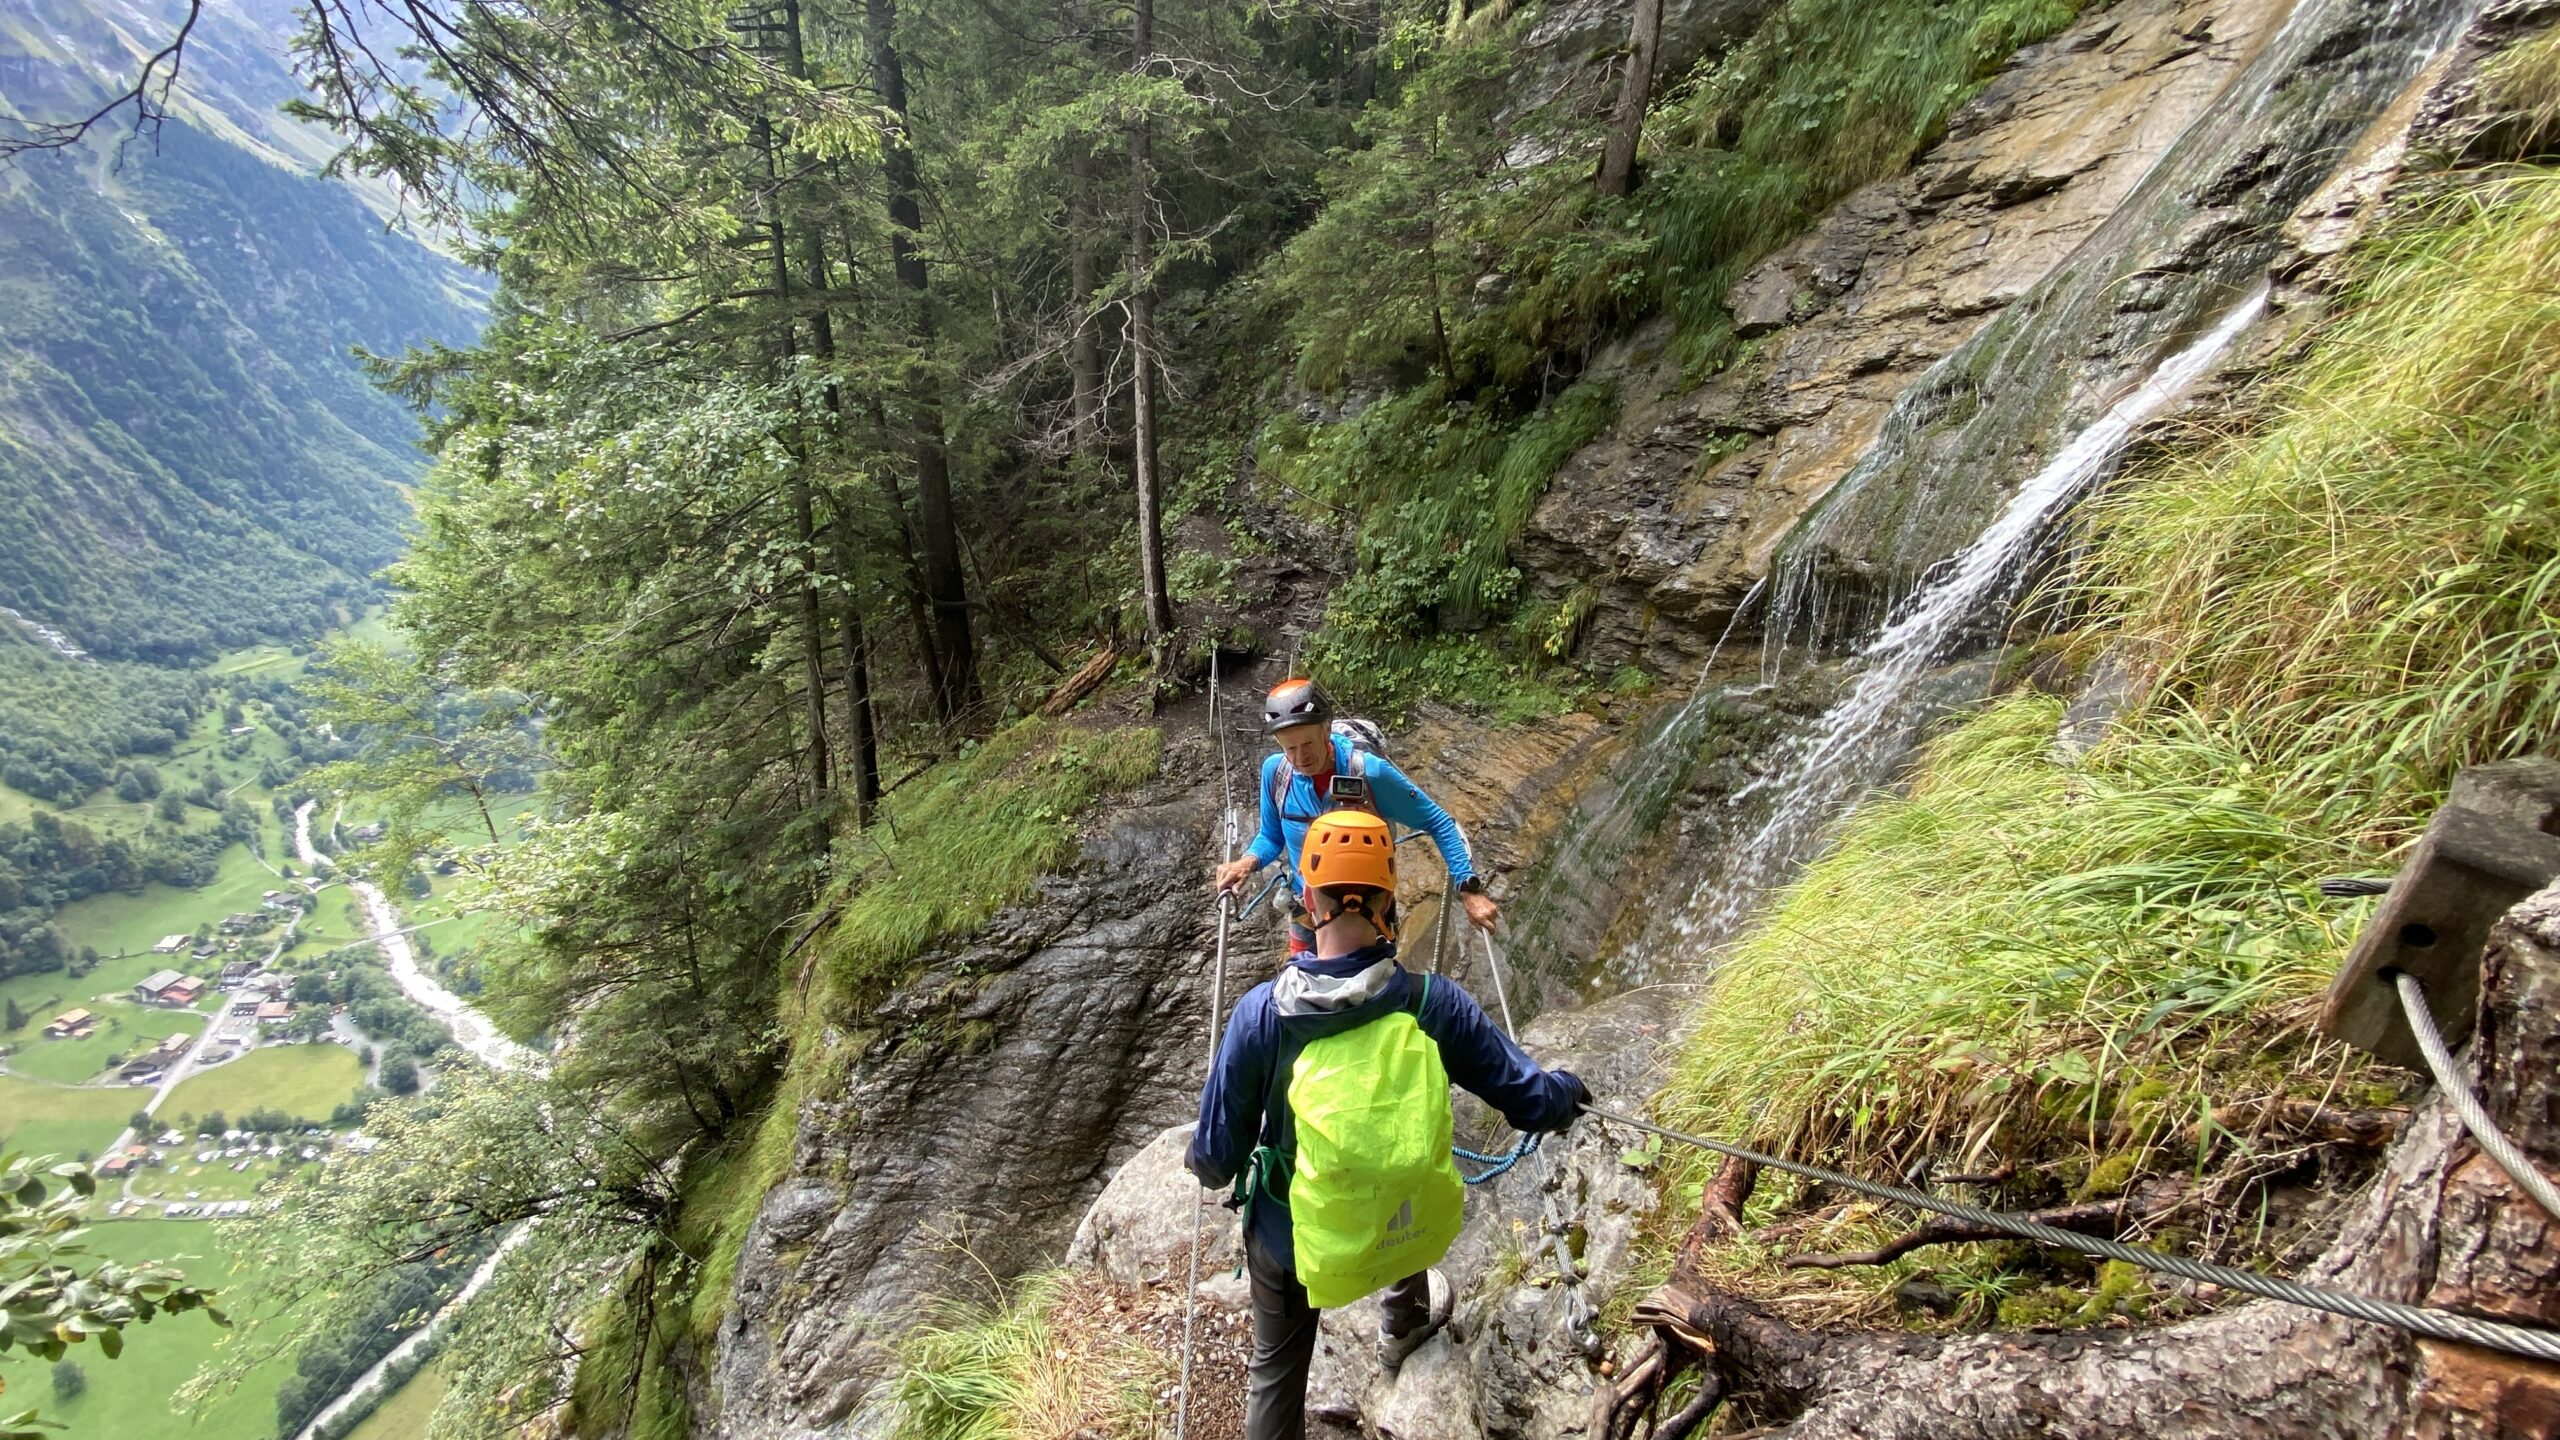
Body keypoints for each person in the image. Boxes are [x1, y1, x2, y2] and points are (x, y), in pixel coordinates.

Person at [1190, 810, 1587, 1440]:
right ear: (1388, 899)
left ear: (1307, 900)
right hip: (1406, 1226)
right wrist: (1572, 1091)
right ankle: (1403, 1321)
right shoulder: (1434, 1004)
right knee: (1396, 1165)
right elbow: (1533, 1101)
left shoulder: (1261, 1016)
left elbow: (1214, 1160)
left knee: (1274, 1367)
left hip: (1298, 1246)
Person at [1212, 677, 1497, 953]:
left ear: (1327, 730)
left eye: (1308, 744)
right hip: (1306, 912)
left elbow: (1438, 821)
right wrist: (1247, 862)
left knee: (1369, 997)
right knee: (1300, 994)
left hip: (1367, 915)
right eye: (1289, 748)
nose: (1300, 758)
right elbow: (1271, 836)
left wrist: (1469, 888)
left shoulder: (1369, 772)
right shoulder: (1276, 773)